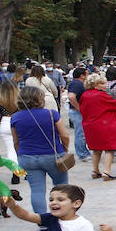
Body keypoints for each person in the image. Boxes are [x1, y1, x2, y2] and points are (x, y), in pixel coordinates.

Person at [10, 87, 72, 215]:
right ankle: (62, 214)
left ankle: (42, 220)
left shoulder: (15, 117)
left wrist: (19, 154)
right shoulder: (52, 114)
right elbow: (64, 135)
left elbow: (16, 141)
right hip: (52, 155)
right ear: (40, 99)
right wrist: (65, 148)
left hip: (27, 157)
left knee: (37, 190)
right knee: (61, 186)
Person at [79, 73, 116, 181]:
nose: (104, 85)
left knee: (96, 149)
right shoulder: (101, 95)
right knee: (109, 149)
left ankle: (95, 170)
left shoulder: (85, 95)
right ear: (95, 85)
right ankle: (107, 172)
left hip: (90, 125)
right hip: (104, 124)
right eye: (102, 83)